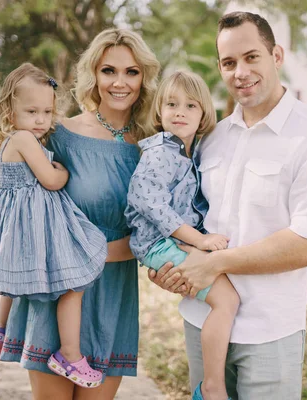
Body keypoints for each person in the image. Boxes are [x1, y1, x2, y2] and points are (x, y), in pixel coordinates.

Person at [149, 11, 307, 400]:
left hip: (269, 330)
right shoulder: (211, 137)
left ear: (276, 55)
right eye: (229, 62)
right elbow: (184, 214)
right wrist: (169, 267)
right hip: (201, 319)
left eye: (251, 57)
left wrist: (217, 263)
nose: (240, 71)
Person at [0, 28, 161, 399]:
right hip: (58, 293)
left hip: (113, 293)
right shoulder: (59, 134)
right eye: (109, 71)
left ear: (145, 77)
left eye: (131, 72)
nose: (120, 82)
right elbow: (18, 212)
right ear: (93, 74)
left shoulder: (155, 145)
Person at [0, 62, 107, 388]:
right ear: (10, 112)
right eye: (31, 110)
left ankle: (0, 327)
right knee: (72, 282)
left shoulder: (15, 140)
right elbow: (50, 180)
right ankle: (69, 355)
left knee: (14, 280)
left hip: (17, 228)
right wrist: (63, 172)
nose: (41, 119)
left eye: (47, 111)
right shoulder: (23, 139)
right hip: (33, 225)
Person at [125, 71, 239, 400]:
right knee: (227, 300)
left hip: (171, 241)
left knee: (225, 296)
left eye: (191, 105)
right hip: (158, 243)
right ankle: (212, 386)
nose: (180, 112)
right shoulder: (162, 153)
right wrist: (200, 240)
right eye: (171, 104)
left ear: (203, 113)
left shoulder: (187, 152)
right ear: (159, 111)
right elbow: (151, 203)